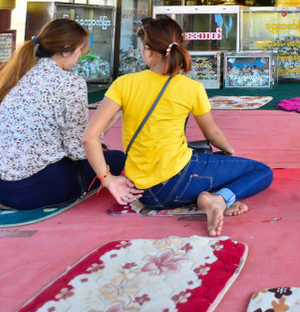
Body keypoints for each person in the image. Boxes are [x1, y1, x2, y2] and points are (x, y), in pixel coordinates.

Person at [83, 15, 272, 236]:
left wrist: (109, 181)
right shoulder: (191, 87)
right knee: (261, 171)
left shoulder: (124, 84)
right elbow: (212, 134)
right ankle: (219, 199)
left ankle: (204, 197)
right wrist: (228, 152)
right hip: (180, 180)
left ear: (147, 50)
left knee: (208, 162)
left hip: (144, 193)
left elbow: (89, 138)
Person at [0, 18, 127, 209]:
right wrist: (106, 124)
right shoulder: (71, 83)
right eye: (81, 50)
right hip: (33, 191)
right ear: (67, 50)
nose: (80, 57)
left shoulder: (20, 75)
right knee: (116, 159)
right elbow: (77, 149)